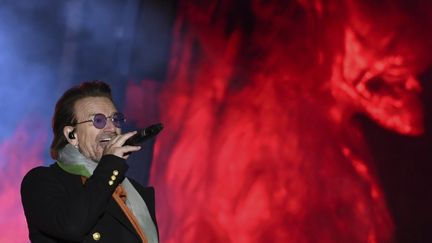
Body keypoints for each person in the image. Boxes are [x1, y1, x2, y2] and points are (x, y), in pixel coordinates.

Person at [21, 81, 159, 243]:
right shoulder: (42, 181)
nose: (111, 128)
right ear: (72, 135)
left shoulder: (136, 191)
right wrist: (111, 164)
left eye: (115, 119)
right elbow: (72, 226)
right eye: (98, 121)